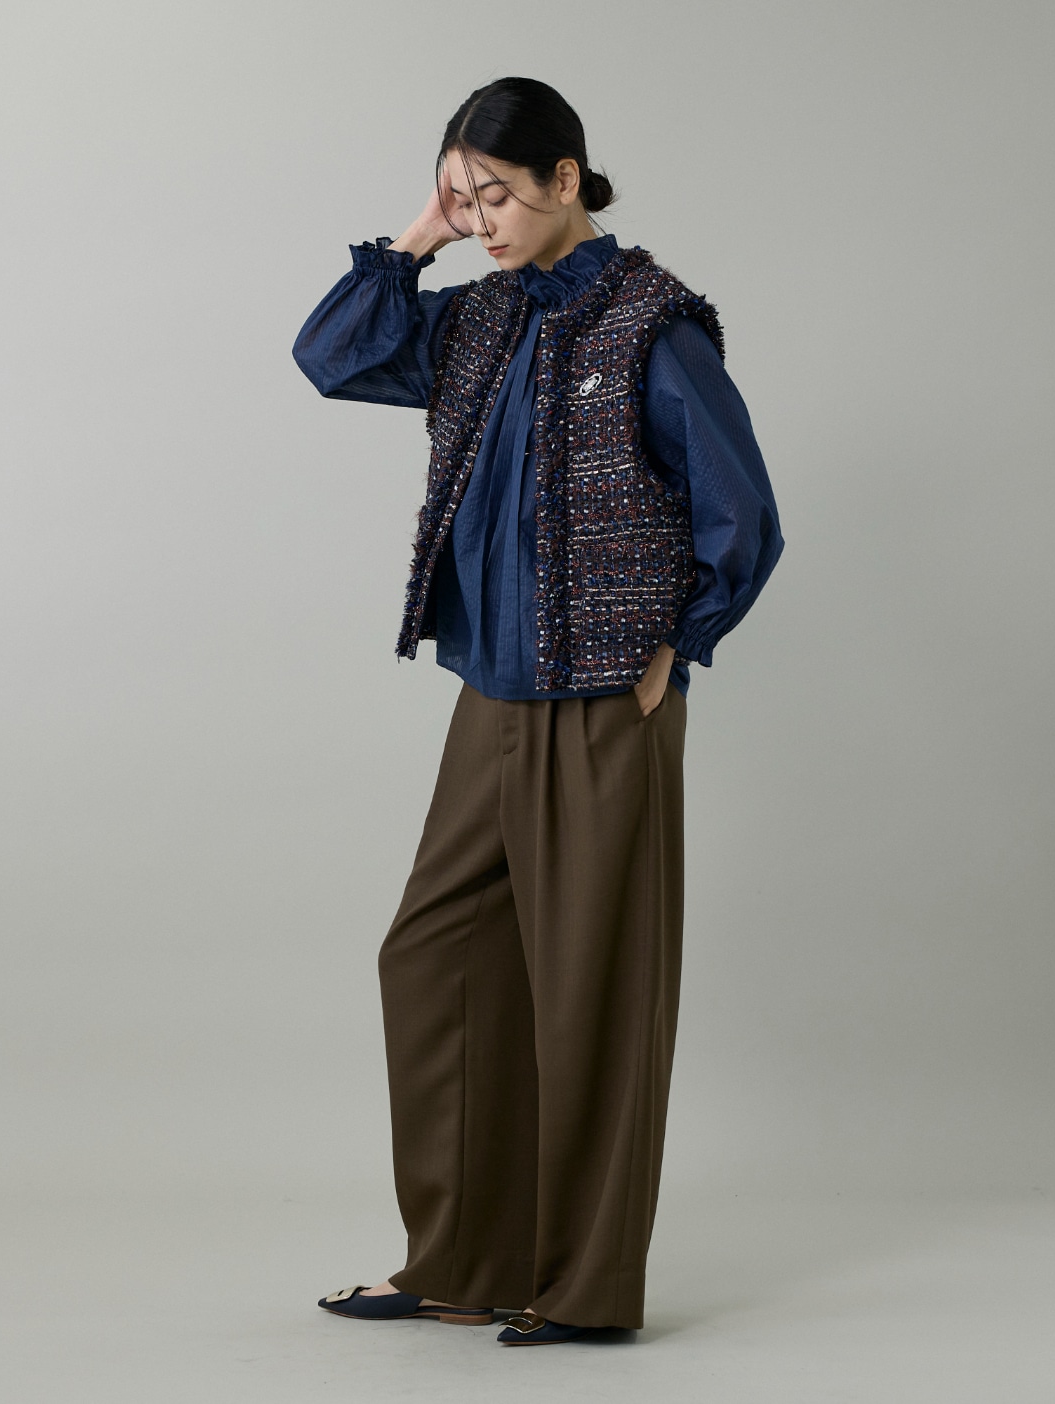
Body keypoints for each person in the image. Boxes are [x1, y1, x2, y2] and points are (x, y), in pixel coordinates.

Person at [292, 77, 784, 1346]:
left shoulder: (653, 325)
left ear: (567, 178)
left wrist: (681, 643)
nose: (484, 221)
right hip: (491, 695)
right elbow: (332, 356)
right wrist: (420, 233)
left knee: (592, 992)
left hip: (606, 700)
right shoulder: (478, 318)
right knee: (437, 955)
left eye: (499, 195)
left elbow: (743, 513)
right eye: (465, 199)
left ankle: (585, 1290)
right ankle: (460, 1257)